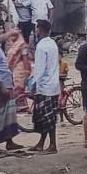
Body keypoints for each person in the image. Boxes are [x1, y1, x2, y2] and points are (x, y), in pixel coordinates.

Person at [28, 20, 60, 153]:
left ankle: (52, 145)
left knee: (47, 117)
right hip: (53, 84)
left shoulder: (41, 47)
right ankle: (41, 143)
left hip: (45, 86)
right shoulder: (52, 43)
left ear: (39, 29)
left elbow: (40, 69)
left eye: (36, 28)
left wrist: (32, 83)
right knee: (49, 116)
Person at [0, 32, 23, 151]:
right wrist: (1, 86)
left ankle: (9, 141)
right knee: (0, 115)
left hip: (7, 84)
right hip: (1, 86)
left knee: (9, 115)